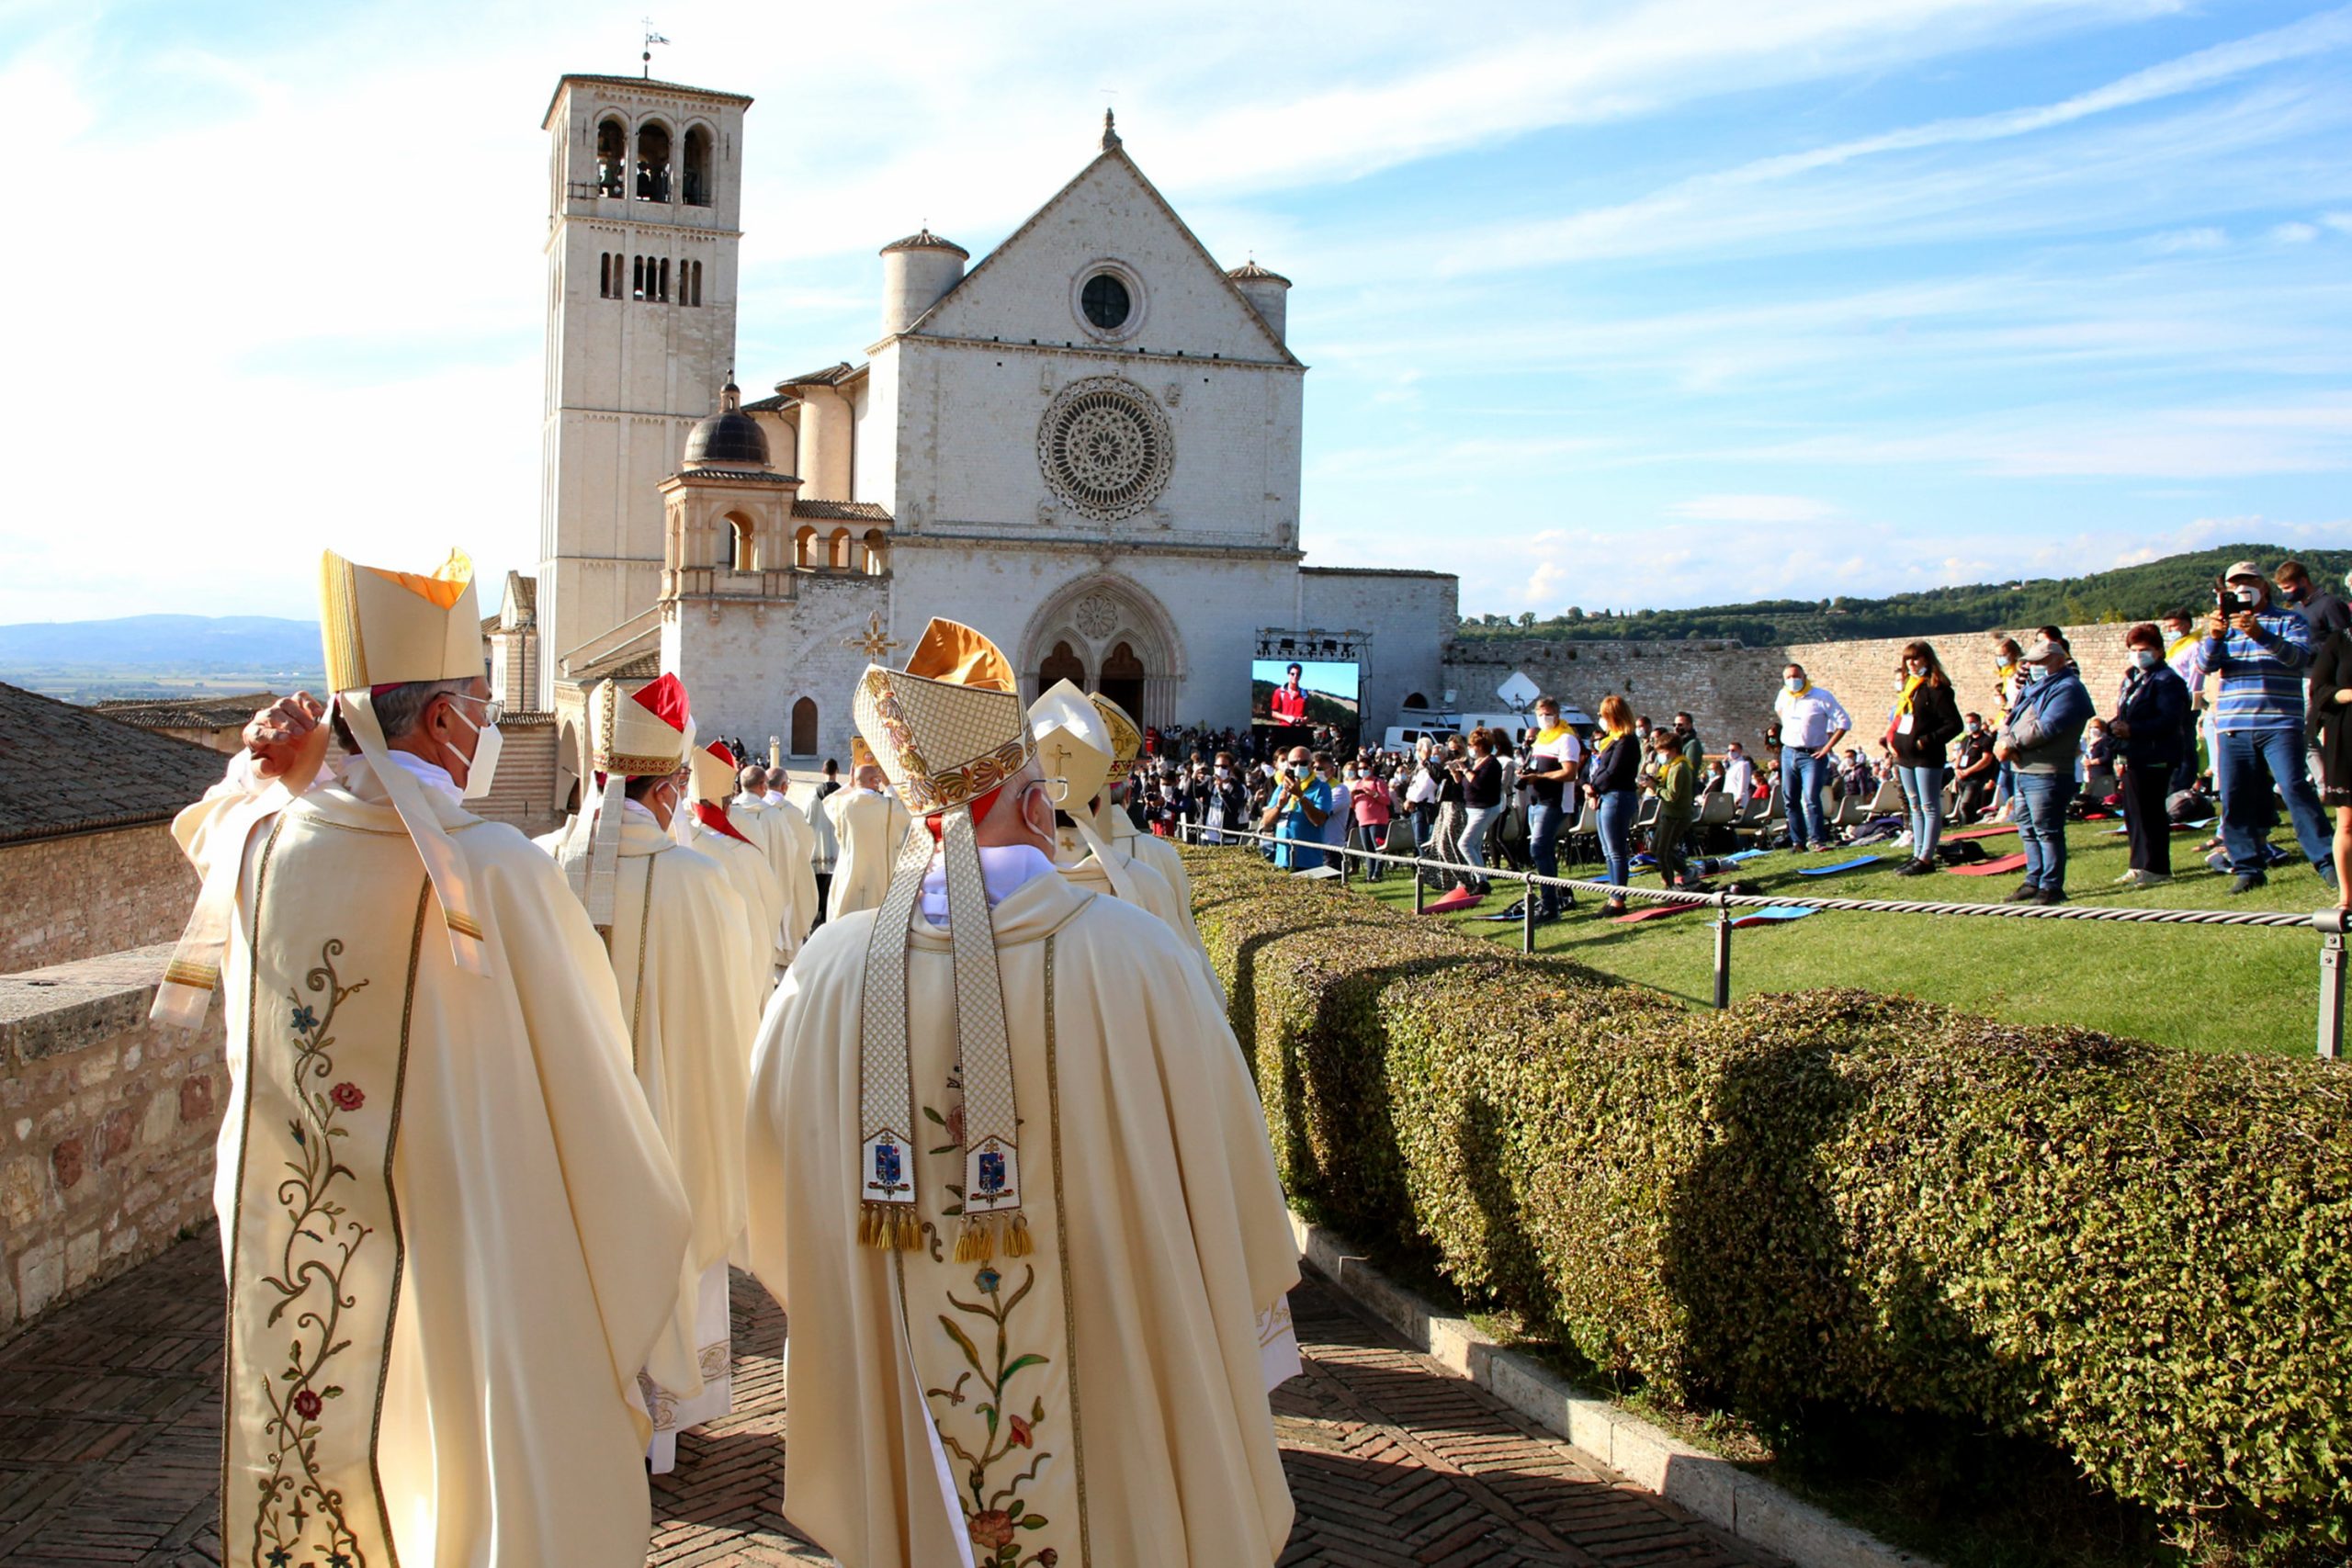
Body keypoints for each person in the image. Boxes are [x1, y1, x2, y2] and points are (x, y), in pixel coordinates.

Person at [154, 548, 690, 1567]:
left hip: (300, 1225)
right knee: (470, 1460)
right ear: (442, 722)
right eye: (482, 706)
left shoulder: (266, 846)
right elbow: (592, 1081)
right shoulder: (496, 872)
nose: (489, 727)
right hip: (475, 1234)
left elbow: (217, 819)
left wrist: (288, 762)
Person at [742, 620, 1299, 1568]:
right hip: (1113, 1363)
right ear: (1037, 803)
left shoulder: (827, 971)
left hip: (901, 1361)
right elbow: (1229, 1170)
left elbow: (770, 1181)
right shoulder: (1135, 955)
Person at [537, 675, 759, 1473]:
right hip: (668, 1130)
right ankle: (659, 1424)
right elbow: (733, 1017)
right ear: (667, 790)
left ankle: (582, 1424)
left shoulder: (538, 871)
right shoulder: (702, 884)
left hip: (563, 1139)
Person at [2203, 559, 2336, 894]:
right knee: (2234, 797)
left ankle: (2327, 861)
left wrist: (2259, 633)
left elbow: (2298, 659)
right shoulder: (2224, 626)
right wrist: (2215, 639)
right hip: (2234, 724)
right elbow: (2205, 666)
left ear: (2264, 587)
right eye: (2234, 586)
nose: (2241, 590)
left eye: (2248, 583)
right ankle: (2247, 867)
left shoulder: (2291, 620)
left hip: (2279, 721)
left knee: (2295, 788)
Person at [1994, 626, 2094, 903]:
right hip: (2023, 769)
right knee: (2027, 826)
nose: (2033, 667)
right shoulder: (2034, 688)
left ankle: (2051, 885)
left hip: (2048, 770)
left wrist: (2010, 744)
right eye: (2031, 662)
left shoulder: (2069, 689)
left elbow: (2046, 728)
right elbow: (2010, 719)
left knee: (2047, 829)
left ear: (2058, 661)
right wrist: (2003, 740)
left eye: (2039, 663)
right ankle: (2033, 878)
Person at [686, 739, 791, 985]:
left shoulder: (679, 845)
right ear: (727, 805)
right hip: (742, 961)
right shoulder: (747, 853)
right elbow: (772, 903)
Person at [2109, 623, 2192, 887]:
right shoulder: (2133, 679)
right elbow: (2126, 711)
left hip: (2156, 753)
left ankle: (2156, 867)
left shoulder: (2168, 681)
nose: (2138, 654)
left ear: (2158, 651)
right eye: (2134, 649)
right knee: (2132, 813)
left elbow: (2169, 720)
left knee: (2151, 812)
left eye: (2144, 649)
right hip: (2133, 754)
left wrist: (2133, 730)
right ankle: (2137, 863)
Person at [1886, 640, 1964, 875]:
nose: (1912, 663)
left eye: (1916, 658)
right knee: (1914, 805)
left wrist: (1927, 740)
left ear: (1927, 660)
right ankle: (1917, 853)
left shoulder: (1937, 689)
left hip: (1926, 756)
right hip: (1905, 756)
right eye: (1908, 659)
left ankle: (1926, 857)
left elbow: (1954, 724)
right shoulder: (1910, 688)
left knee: (1929, 805)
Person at [824, 742, 914, 921]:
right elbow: (907, 813)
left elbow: (828, 800)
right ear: (876, 781)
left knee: (846, 919)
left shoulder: (842, 805)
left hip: (849, 872)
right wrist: (889, 786)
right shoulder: (888, 807)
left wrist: (850, 785)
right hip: (879, 873)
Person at [1775, 663, 1850, 852]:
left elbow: (1844, 722)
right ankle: (1797, 842)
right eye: (1789, 677)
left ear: (1804, 676)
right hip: (1789, 752)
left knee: (1810, 797)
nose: (1793, 680)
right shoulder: (1784, 695)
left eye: (1796, 676)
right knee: (1790, 799)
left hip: (1813, 755)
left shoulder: (1821, 697)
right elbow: (1779, 711)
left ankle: (1817, 840)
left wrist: (1827, 747)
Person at [2305, 609, 2352, 908]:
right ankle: (2347, 898)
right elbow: (2319, 691)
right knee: (2347, 824)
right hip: (2348, 740)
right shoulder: (2339, 641)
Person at [1521, 696, 1582, 919]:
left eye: (1548, 714)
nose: (1544, 719)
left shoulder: (1566, 739)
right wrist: (1528, 774)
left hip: (1554, 801)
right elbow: (1534, 765)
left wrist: (1540, 776)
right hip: (1536, 800)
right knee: (1544, 851)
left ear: (1556, 715)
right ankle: (1553, 901)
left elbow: (1569, 772)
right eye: (1540, 715)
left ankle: (1550, 904)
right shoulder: (1540, 739)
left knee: (1537, 848)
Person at [1585, 694, 1641, 915]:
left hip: (1617, 796)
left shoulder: (1626, 741)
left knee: (1616, 851)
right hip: (1606, 796)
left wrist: (1593, 787)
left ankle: (1619, 899)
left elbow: (1612, 772)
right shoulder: (1614, 741)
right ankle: (1613, 894)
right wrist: (1592, 787)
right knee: (1608, 851)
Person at [1261, 743, 1331, 871]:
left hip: (1308, 861)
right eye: (1294, 764)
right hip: (1282, 859)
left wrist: (1300, 796)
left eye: (1303, 763)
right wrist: (1278, 806)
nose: (1298, 767)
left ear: (1311, 764)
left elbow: (1319, 820)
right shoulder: (1282, 787)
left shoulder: (1321, 788)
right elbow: (1266, 822)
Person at [1453, 728, 1505, 897]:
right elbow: (1466, 785)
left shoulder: (1491, 763)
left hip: (1485, 808)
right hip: (1473, 808)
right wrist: (1457, 773)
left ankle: (1482, 880)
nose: (1470, 748)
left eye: (1471, 745)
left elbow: (1479, 783)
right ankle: (1481, 880)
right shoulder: (1477, 762)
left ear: (1480, 746)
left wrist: (1465, 770)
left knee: (1464, 843)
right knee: (1474, 844)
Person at [1646, 728, 1697, 888]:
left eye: (1662, 751)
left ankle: (1669, 884)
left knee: (1663, 851)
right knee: (1655, 848)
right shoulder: (1672, 766)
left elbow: (1672, 796)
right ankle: (1687, 871)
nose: (1661, 756)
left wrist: (1655, 788)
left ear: (1673, 750)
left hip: (1676, 816)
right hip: (1668, 814)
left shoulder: (1679, 768)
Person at [2276, 558, 2352, 641]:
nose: (2284, 593)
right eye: (2281, 589)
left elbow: (2344, 642)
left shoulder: (2330, 605)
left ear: (2303, 581)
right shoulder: (2297, 608)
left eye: (2287, 587)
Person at [809, 757, 843, 919]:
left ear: (823, 771)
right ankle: (829, 911)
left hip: (819, 840)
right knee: (834, 878)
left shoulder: (814, 794)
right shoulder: (843, 793)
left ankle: (817, 909)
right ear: (837, 771)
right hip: (837, 843)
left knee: (819, 877)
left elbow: (808, 818)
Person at [1350, 755, 1394, 880]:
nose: (1362, 770)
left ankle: (1377, 873)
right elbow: (1352, 805)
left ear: (1371, 768)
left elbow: (1386, 800)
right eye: (1359, 768)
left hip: (1377, 820)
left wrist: (1373, 794)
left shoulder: (1378, 782)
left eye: (1364, 768)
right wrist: (1353, 796)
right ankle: (1370, 874)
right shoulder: (1358, 783)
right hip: (1362, 821)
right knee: (1367, 849)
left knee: (1378, 848)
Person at [1951, 713, 1996, 823]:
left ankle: (1968, 824)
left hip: (1975, 777)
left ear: (1978, 723)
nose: (1969, 725)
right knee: (1965, 805)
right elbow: (1960, 755)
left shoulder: (1986, 740)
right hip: (1962, 777)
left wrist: (1968, 771)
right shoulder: (1966, 740)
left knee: (1965, 805)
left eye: (1972, 722)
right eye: (1967, 723)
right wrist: (1956, 768)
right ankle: (1972, 823)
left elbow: (1986, 760)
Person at [1721, 739, 1755, 804]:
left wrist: (1739, 797)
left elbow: (1743, 782)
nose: (1730, 752)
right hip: (1728, 797)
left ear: (1740, 751)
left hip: (1737, 799)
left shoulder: (1743, 764)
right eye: (1728, 750)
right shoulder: (1731, 765)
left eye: (1733, 750)